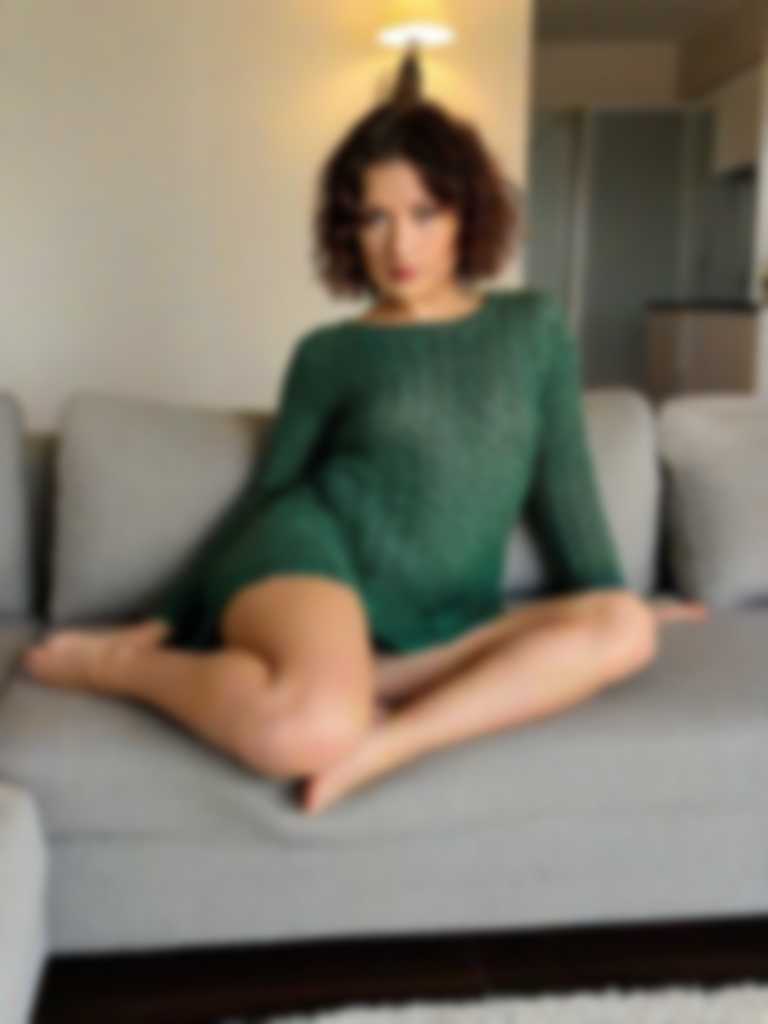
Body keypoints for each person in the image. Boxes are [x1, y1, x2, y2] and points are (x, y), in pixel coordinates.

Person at [20, 60, 709, 816]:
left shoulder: (533, 329)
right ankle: (115, 670)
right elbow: (273, 491)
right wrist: (164, 622)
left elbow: (565, 483)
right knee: (306, 726)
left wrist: (614, 593)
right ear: (349, 230)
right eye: (374, 218)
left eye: (423, 213)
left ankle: (385, 740)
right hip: (310, 554)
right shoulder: (330, 354)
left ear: (465, 212)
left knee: (626, 630)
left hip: (445, 612)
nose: (398, 245)